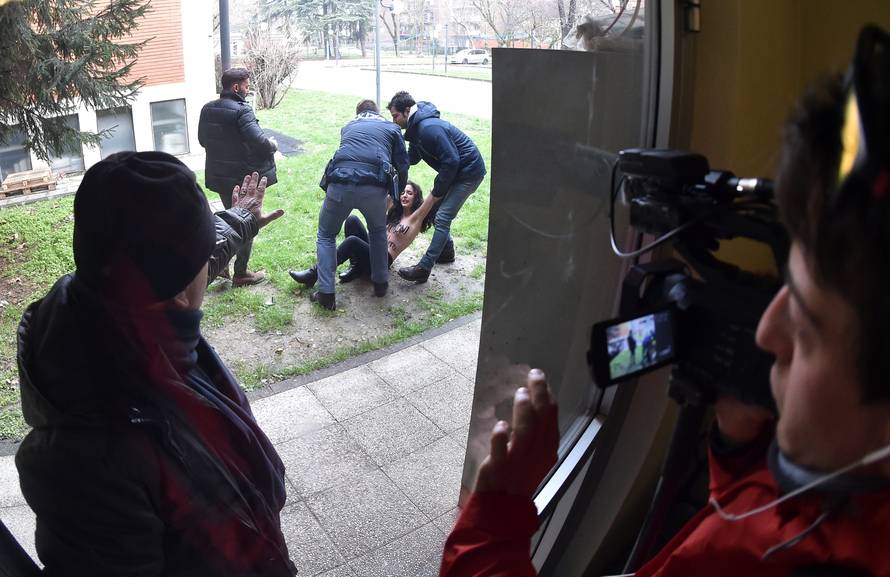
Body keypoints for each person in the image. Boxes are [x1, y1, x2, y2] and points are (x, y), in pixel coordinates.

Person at [438, 27, 890, 577]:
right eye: (783, 289)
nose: (769, 335)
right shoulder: (846, 480)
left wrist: (496, 512)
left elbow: (757, 540)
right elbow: (776, 510)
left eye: (810, 326)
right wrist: (738, 448)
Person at [15, 152, 296, 576]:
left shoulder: (106, 306)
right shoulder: (90, 463)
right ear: (183, 286)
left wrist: (238, 218)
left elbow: (177, 261)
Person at [293, 98, 409, 310]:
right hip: (374, 188)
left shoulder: (348, 126)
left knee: (326, 234)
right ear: (377, 112)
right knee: (376, 232)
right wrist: (396, 193)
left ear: (358, 113)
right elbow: (402, 164)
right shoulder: (391, 128)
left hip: (340, 184)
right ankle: (381, 283)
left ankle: (327, 294)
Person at [387, 91, 487, 284]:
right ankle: (446, 252)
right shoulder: (417, 129)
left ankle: (424, 268)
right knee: (435, 212)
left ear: (407, 111)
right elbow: (413, 158)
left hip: (469, 173)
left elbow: (451, 161)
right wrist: (393, 158)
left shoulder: (428, 128)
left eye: (395, 116)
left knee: (442, 217)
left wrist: (437, 192)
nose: (394, 121)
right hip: (456, 172)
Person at [198, 67, 278, 287]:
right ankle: (241, 273)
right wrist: (273, 144)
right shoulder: (242, 111)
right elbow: (259, 142)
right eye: (246, 85)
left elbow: (202, 140)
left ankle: (222, 264)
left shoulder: (207, 109)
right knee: (245, 221)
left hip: (220, 176)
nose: (248, 89)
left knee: (227, 219)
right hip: (243, 179)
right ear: (236, 87)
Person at [289, 180, 438, 288]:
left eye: (409, 193)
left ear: (416, 197)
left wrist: (443, 181)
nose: (405, 195)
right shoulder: (393, 212)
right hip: (372, 248)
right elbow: (390, 189)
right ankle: (357, 267)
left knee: (353, 241)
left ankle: (314, 273)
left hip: (382, 260)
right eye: (403, 192)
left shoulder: (414, 220)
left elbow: (432, 199)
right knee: (352, 220)